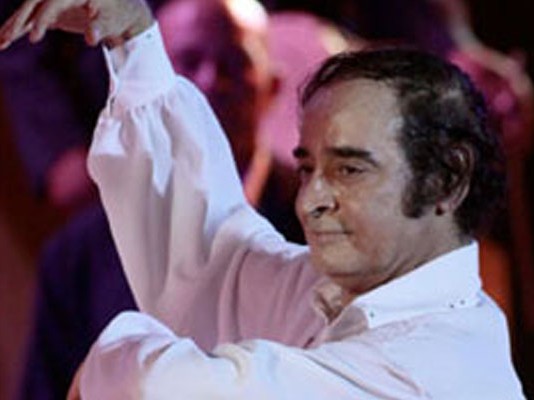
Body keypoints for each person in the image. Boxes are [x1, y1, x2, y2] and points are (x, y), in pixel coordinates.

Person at [0, 0, 526, 398]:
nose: (311, 200)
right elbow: (216, 264)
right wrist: (133, 42)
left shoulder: (437, 368)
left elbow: (172, 387)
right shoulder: (359, 292)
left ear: (446, 180)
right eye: (307, 168)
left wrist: (114, 364)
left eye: (349, 169)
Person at [15, 0, 314, 398]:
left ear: (272, 85)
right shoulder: (77, 256)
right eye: (189, 62)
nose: (211, 81)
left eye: (233, 63)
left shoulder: (323, 223)